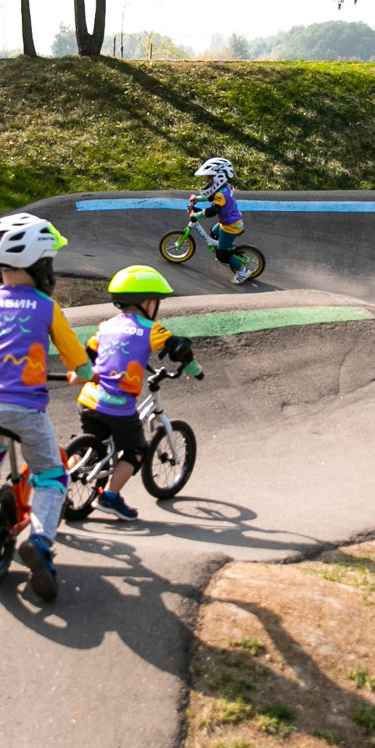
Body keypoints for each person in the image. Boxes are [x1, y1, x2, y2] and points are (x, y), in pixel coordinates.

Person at [0, 213, 93, 604]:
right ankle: (40, 540)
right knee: (52, 475)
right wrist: (82, 376)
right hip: (24, 407)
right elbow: (79, 363)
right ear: (41, 265)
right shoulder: (46, 306)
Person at [77, 266, 197, 521]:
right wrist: (194, 367)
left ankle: (70, 470)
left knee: (94, 438)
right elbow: (179, 347)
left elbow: (88, 353)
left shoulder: (106, 326)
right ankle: (109, 496)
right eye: (157, 302)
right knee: (136, 450)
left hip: (89, 398)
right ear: (147, 303)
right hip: (117, 405)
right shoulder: (151, 329)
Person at [191, 156, 256, 284]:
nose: (207, 181)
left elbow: (212, 211)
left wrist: (197, 215)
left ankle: (242, 271)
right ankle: (225, 248)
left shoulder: (221, 195)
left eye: (209, 178)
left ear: (218, 177)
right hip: (228, 222)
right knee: (214, 232)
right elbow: (210, 198)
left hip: (230, 227)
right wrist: (197, 199)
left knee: (222, 255)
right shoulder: (222, 189)